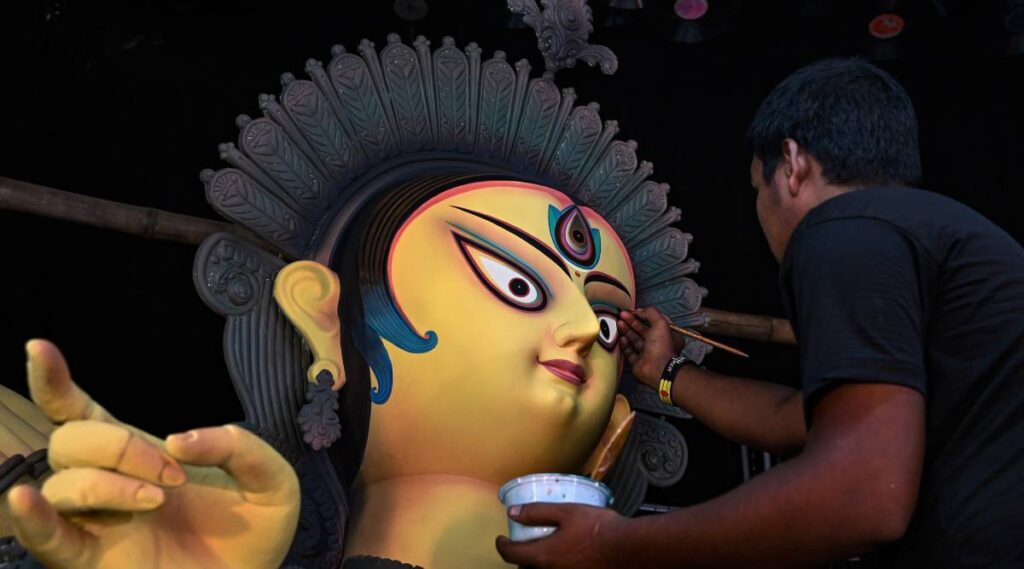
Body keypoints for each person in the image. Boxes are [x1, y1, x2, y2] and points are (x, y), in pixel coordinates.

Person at [496, 58, 1024, 568]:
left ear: (792, 165)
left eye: (756, 190)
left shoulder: (846, 231)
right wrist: (669, 374)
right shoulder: (925, 235)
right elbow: (798, 417)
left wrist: (617, 545)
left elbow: (863, 492)